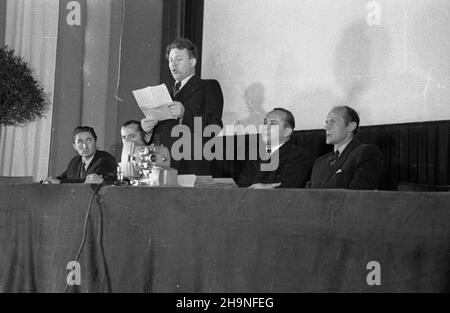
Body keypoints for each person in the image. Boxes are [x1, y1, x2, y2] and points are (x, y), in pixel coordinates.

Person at [141, 38, 223, 175]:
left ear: (192, 62)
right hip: (163, 166)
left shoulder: (208, 86)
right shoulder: (165, 92)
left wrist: (185, 114)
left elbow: (214, 126)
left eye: (179, 59)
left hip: (191, 166)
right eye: (171, 60)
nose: (173, 64)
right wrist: (148, 131)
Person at [310, 106, 383, 189]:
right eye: (326, 122)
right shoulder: (319, 162)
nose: (326, 127)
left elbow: (359, 196)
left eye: (332, 122)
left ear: (351, 126)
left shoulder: (365, 153)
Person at [236, 108, 311, 189]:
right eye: (265, 123)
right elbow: (241, 182)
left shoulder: (297, 154)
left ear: (287, 132)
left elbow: (288, 187)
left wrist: (264, 188)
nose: (265, 127)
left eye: (272, 124)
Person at [43, 126, 117, 184]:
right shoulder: (75, 161)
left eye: (89, 140)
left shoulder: (105, 159)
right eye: (80, 142)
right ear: (75, 146)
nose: (85, 146)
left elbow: (89, 181)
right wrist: (49, 181)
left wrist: (60, 182)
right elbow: (62, 178)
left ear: (95, 142)